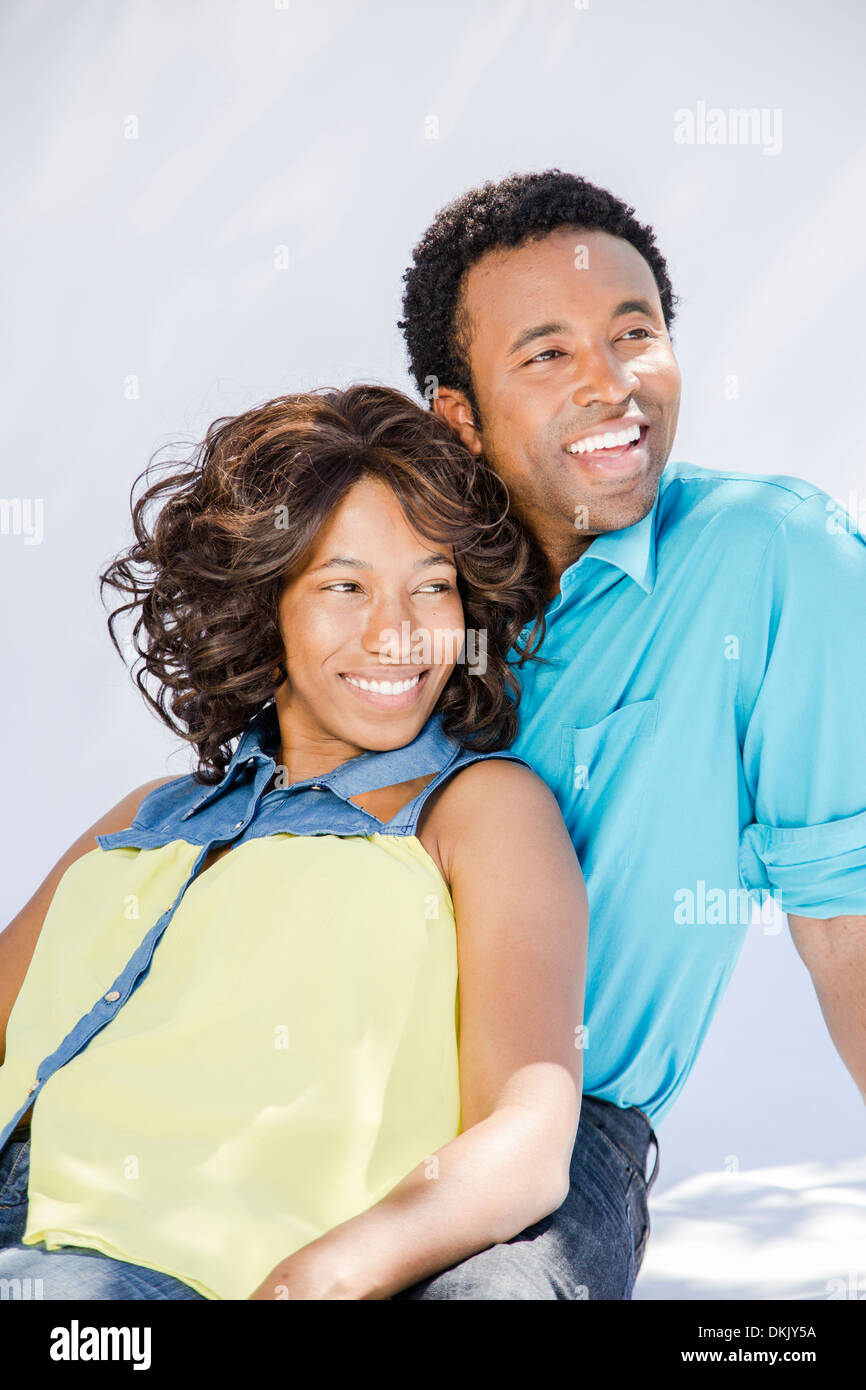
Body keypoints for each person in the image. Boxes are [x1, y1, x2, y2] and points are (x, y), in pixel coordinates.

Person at [0, 384, 588, 1300]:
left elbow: (525, 1139)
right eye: (345, 586)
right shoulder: (146, 817)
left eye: (431, 585)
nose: (396, 633)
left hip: (144, 1276)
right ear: (261, 603)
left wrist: (328, 1275)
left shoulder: (477, 815)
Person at [394, 168, 866, 1299]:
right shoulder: (396, 582)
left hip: (557, 1143)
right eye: (546, 354)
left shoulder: (768, 558)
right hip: (306, 1082)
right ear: (456, 411)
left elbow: (846, 935)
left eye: (634, 333)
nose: (613, 385)